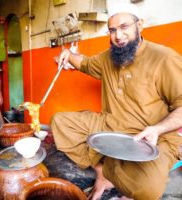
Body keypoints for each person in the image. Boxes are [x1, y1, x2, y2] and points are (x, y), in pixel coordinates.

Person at [51, 3, 182, 200]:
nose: (118, 36)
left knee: (148, 188)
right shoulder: (108, 58)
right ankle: (102, 171)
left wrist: (157, 129)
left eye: (124, 27)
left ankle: (114, 174)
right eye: (112, 30)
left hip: (152, 133)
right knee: (60, 123)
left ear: (140, 25)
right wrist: (69, 55)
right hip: (111, 124)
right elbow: (85, 63)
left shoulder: (164, 58)